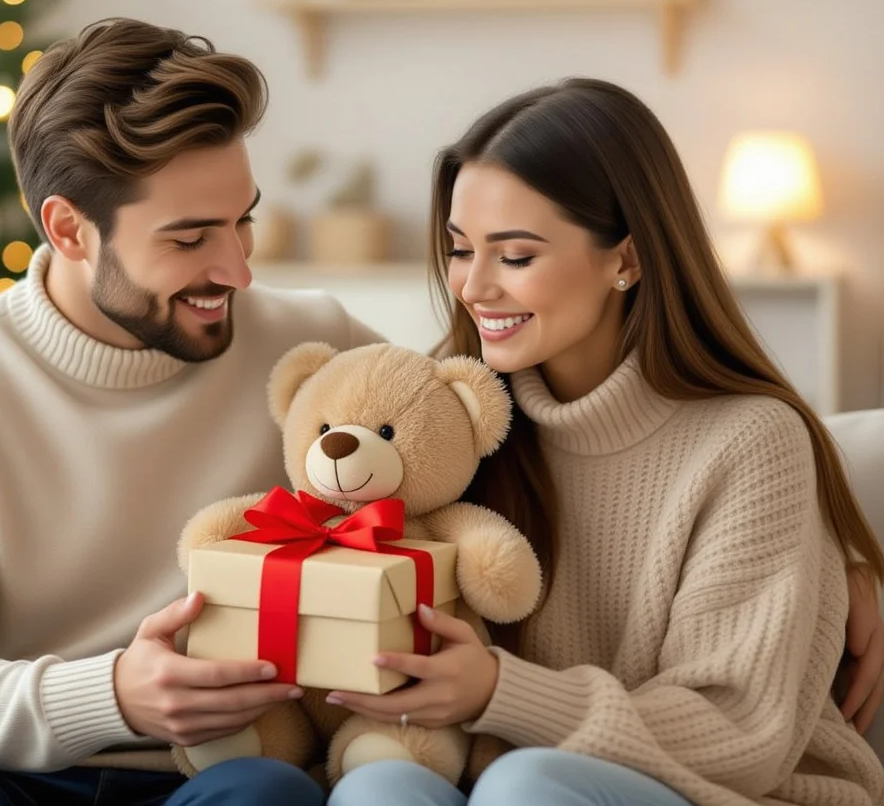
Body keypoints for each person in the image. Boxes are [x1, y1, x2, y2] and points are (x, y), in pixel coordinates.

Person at [0, 18, 382, 806]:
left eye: (243, 220)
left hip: (216, 775)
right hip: (10, 778)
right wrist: (114, 694)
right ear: (69, 229)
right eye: (190, 239)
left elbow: (468, 437)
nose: (238, 270)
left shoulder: (316, 344)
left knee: (267, 795)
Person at [324, 78, 884, 806]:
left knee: (525, 786)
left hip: (729, 793)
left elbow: (738, 737)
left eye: (514, 256)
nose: (473, 287)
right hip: (500, 781)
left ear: (626, 259)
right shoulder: (452, 417)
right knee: (380, 786)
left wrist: (500, 692)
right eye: (460, 249)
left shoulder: (751, 441)